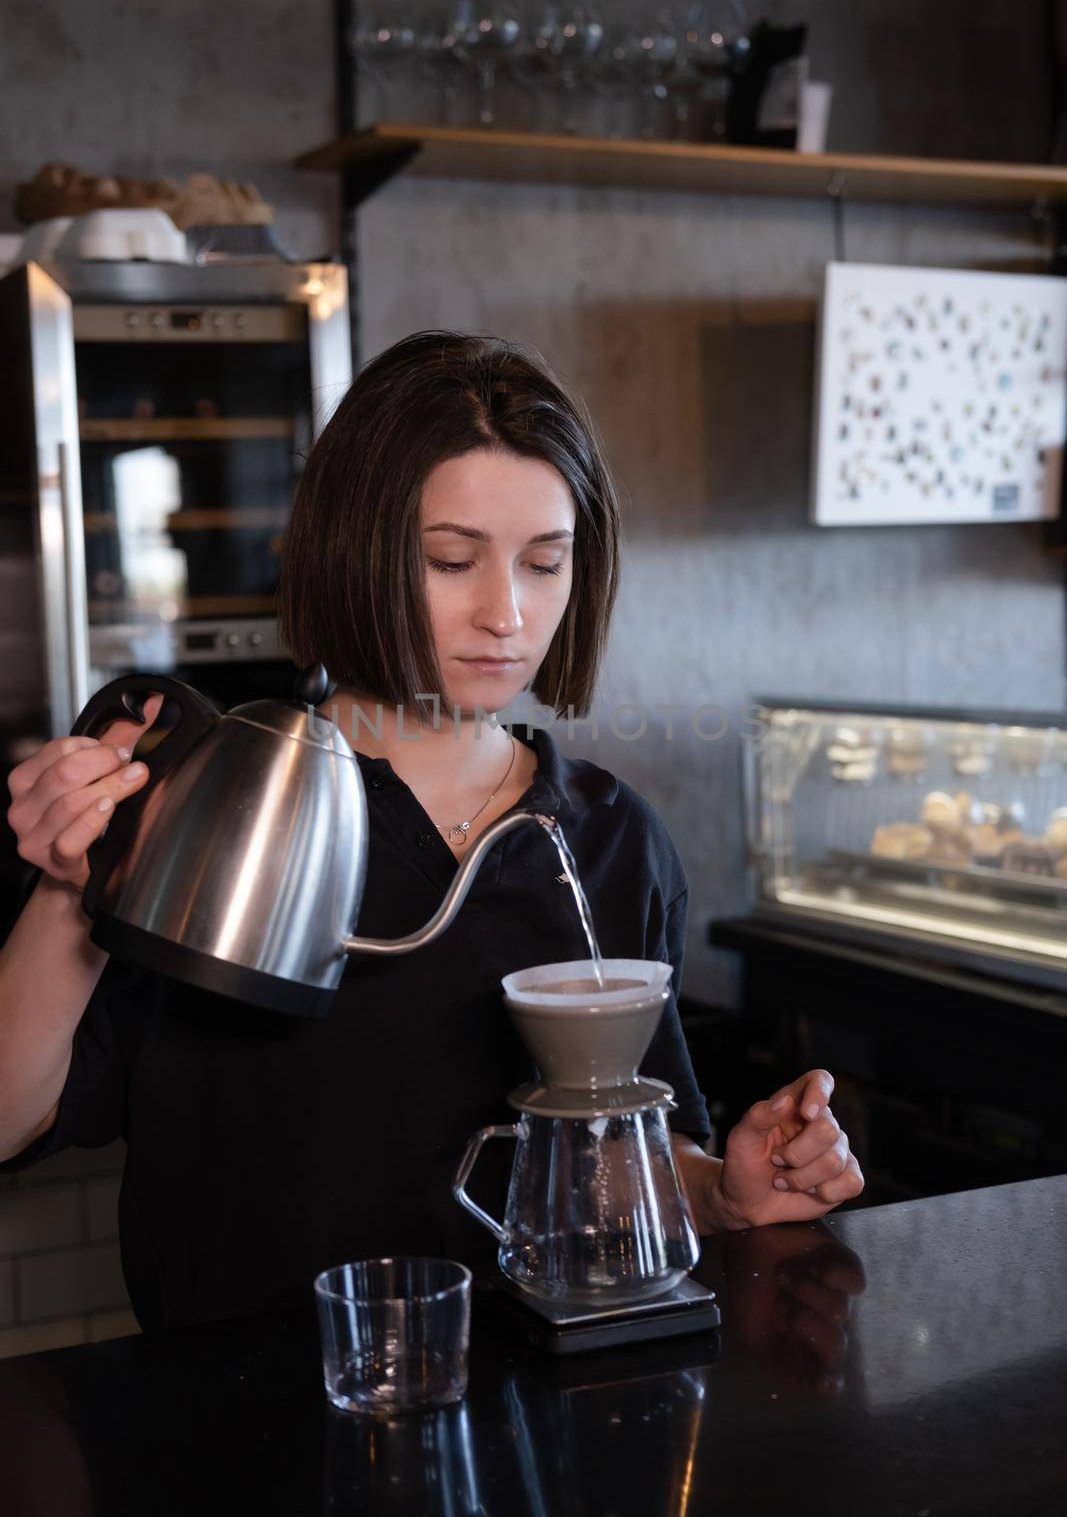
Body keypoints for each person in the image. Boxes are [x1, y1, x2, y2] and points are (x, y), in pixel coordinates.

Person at [0, 331, 863, 1332]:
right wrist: (70, 886)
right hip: (241, 1434)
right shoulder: (217, 810)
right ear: (356, 552)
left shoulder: (608, 838)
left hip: (539, 1434)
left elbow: (623, 1157)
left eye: (544, 564)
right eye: (451, 560)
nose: (505, 614)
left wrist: (720, 1191)